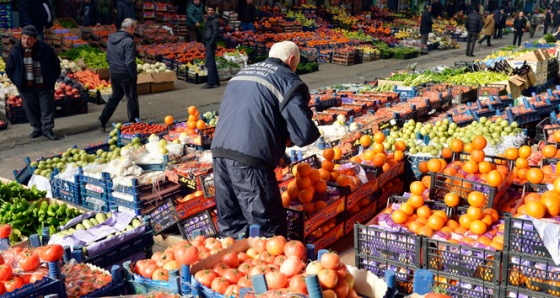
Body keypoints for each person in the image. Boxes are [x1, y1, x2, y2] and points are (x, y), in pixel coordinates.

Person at [211, 41, 321, 238]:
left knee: (231, 228)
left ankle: (235, 263)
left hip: (220, 153)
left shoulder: (242, 74)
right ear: (292, 60)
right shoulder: (286, 79)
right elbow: (303, 133)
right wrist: (287, 139)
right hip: (251, 160)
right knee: (268, 230)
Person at [5, 25, 61, 140]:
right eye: (24, 38)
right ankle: (37, 128)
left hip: (44, 84)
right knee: (31, 108)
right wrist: (17, 82)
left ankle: (48, 129)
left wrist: (51, 80)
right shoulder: (16, 50)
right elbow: (9, 69)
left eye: (29, 39)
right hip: (26, 85)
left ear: (36, 39)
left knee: (47, 108)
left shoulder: (45, 49)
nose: (26, 41)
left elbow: (56, 65)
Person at [98, 18, 139, 132]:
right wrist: (133, 75)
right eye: (134, 29)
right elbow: (129, 61)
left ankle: (103, 119)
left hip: (114, 71)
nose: (134, 31)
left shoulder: (111, 38)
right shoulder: (129, 42)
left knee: (116, 96)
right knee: (131, 98)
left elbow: (108, 56)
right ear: (130, 28)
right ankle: (134, 123)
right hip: (125, 72)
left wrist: (113, 67)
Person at [201, 6, 220, 89]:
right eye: (208, 10)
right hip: (208, 42)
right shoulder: (210, 19)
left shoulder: (215, 20)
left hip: (210, 43)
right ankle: (216, 81)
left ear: (214, 11)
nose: (210, 11)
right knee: (212, 63)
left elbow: (215, 33)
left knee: (209, 63)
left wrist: (210, 43)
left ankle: (210, 83)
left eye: (211, 10)